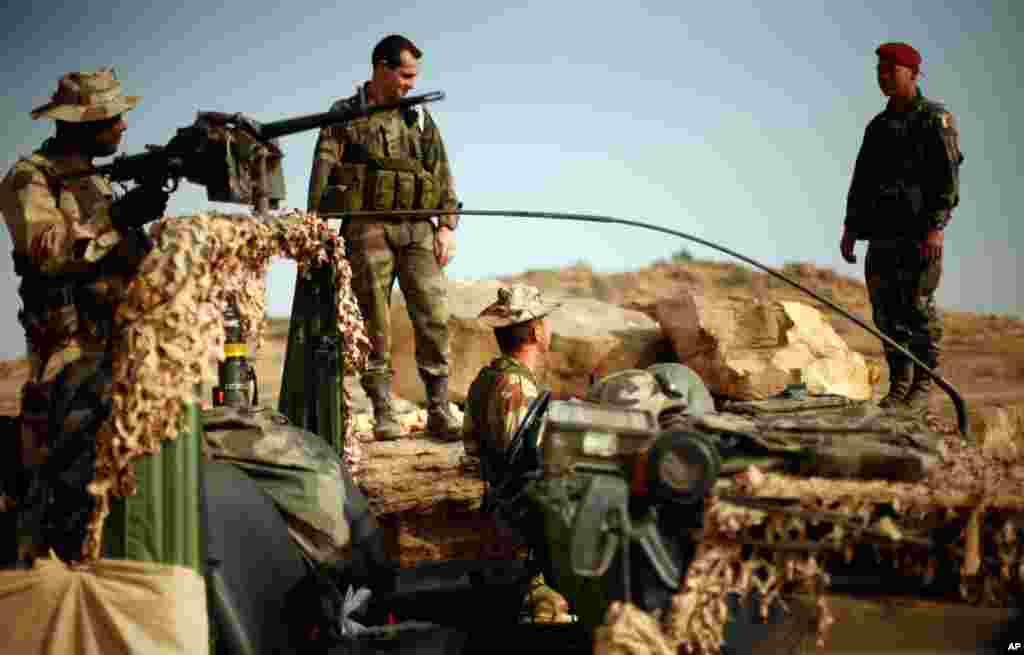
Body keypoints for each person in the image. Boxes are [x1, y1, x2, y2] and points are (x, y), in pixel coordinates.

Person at [0, 68, 168, 561]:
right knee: (61, 460)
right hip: (68, 339)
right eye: (112, 118)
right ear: (79, 123)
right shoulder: (31, 177)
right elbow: (46, 251)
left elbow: (119, 250)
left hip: (114, 333)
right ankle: (41, 562)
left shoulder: (95, 179)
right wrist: (117, 217)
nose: (122, 126)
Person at [307, 34, 460, 441]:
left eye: (414, 76)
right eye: (405, 76)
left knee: (434, 316)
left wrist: (447, 226)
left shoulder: (418, 116)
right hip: (366, 228)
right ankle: (383, 411)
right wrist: (319, 229)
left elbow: (441, 169)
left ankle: (439, 409)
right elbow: (322, 172)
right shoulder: (345, 114)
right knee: (374, 321)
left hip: (417, 229)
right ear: (381, 68)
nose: (412, 84)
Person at [840, 42, 964, 413]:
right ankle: (899, 385)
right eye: (879, 71)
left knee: (917, 309)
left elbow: (948, 179)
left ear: (912, 73)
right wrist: (851, 228)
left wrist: (936, 227)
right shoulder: (878, 127)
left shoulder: (934, 119)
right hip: (882, 235)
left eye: (890, 70)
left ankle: (923, 386)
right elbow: (862, 181)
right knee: (885, 313)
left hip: (918, 235)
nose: (883, 77)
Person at [461, 284, 569, 622]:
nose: (549, 327)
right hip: (522, 541)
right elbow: (527, 467)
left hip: (498, 527)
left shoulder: (486, 379)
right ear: (536, 332)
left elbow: (472, 448)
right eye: (545, 321)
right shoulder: (516, 387)